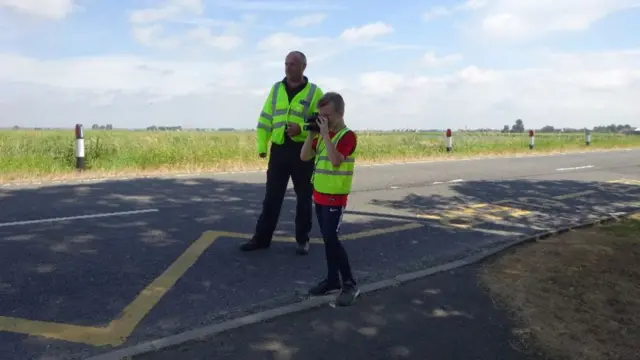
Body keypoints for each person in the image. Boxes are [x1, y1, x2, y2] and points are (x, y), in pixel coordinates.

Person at [240, 51, 324, 255]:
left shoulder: (315, 92)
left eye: (293, 64)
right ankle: (261, 239)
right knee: (271, 197)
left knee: (303, 197)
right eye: (286, 63)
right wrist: (262, 146)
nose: (288, 67)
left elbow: (321, 122)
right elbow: (265, 118)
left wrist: (301, 129)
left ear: (304, 66)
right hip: (278, 150)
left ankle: (302, 240)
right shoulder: (276, 89)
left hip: (302, 151)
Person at [300, 91, 360, 306]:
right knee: (327, 240)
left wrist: (325, 134)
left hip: (335, 197)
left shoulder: (347, 136)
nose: (322, 120)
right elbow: (304, 156)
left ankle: (350, 283)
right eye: (319, 116)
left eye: (326, 116)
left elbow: (336, 161)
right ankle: (333, 280)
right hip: (320, 195)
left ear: (339, 114)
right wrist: (311, 134)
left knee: (332, 239)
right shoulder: (325, 137)